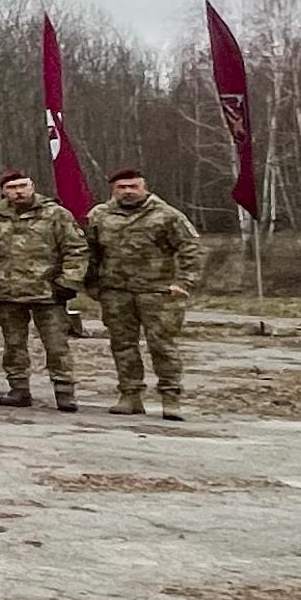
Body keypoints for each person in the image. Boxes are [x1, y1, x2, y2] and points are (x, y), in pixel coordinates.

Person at [85, 169, 199, 419]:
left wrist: (184, 282)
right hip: (116, 293)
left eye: (133, 186)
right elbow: (89, 253)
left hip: (158, 293)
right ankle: (130, 395)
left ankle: (171, 398)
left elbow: (191, 248)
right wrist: (91, 284)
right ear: (113, 190)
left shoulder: (166, 215)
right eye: (121, 187)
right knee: (123, 346)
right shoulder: (99, 215)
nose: (127, 191)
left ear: (144, 187)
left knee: (162, 345)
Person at [0, 170, 87, 413]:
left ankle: (64, 391)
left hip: (48, 292)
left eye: (23, 186)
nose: (19, 191)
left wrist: (69, 281)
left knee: (57, 345)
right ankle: (18, 388)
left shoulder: (55, 214)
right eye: (12, 187)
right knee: (13, 345)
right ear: (3, 191)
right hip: (7, 292)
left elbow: (76, 249)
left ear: (32, 186)